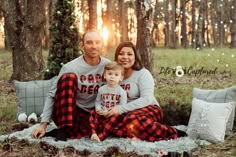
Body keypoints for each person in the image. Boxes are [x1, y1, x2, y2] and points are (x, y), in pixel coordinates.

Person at [96, 41, 186, 142]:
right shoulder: (114, 76)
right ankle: (140, 133)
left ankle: (171, 132)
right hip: (126, 113)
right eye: (121, 54)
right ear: (117, 57)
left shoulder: (143, 74)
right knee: (105, 124)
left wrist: (120, 109)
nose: (125, 57)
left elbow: (146, 99)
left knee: (131, 119)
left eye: (129, 54)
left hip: (149, 109)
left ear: (135, 57)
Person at [31, 30, 110, 141]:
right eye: (89, 42)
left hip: (94, 114)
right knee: (69, 78)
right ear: (82, 45)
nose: (94, 46)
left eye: (97, 42)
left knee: (106, 128)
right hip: (70, 112)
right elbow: (52, 95)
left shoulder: (108, 65)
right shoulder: (70, 67)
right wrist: (43, 125)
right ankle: (64, 129)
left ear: (102, 44)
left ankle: (74, 131)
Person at [89, 61, 127, 142]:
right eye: (110, 74)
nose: (112, 77)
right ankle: (93, 133)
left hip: (113, 116)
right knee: (92, 113)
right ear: (105, 75)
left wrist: (112, 112)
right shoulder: (102, 89)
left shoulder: (122, 92)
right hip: (103, 113)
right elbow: (98, 101)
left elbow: (122, 107)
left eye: (116, 75)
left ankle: (101, 136)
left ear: (121, 77)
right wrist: (98, 109)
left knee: (116, 119)